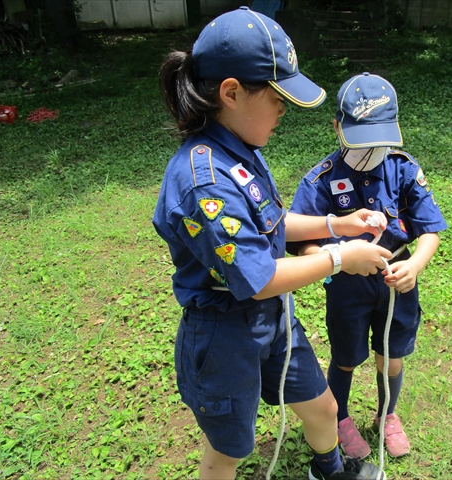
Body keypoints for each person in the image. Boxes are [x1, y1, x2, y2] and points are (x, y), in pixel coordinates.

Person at [152, 8, 393, 480]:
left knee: (322, 408)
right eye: (278, 95)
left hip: (273, 320)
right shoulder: (205, 181)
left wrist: (335, 223)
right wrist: (341, 257)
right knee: (229, 450)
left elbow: (271, 223)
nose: (285, 108)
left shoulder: (239, 150)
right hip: (224, 334)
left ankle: (329, 470)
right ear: (231, 92)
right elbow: (259, 278)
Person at [288, 72, 448, 460]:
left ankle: (387, 415)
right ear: (338, 127)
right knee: (346, 357)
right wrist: (337, 261)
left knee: (392, 357)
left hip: (397, 282)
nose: (372, 150)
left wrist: (416, 267)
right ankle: (340, 419)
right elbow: (300, 241)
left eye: (380, 139)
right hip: (346, 285)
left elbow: (430, 231)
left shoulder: (403, 168)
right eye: (363, 138)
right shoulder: (321, 180)